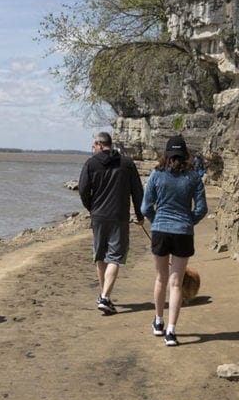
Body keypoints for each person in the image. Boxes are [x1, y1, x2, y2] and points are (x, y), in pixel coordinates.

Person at [141, 135, 207, 346]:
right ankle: (171, 331)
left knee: (161, 278)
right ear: (185, 154)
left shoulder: (156, 175)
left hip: (161, 230)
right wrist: (188, 221)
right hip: (183, 232)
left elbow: (145, 208)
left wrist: (156, 221)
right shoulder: (193, 177)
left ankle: (158, 322)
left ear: (166, 154)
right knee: (176, 282)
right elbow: (202, 208)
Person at [78, 131, 144, 314]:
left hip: (99, 217)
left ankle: (104, 295)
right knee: (115, 256)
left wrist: (91, 208)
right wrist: (140, 214)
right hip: (119, 216)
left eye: (93, 146)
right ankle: (105, 296)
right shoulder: (127, 163)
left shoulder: (91, 164)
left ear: (100, 145)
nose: (93, 149)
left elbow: (83, 190)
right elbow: (137, 191)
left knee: (101, 256)